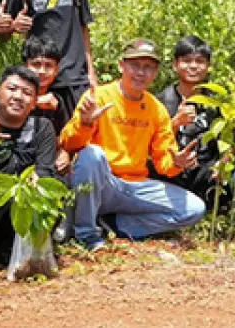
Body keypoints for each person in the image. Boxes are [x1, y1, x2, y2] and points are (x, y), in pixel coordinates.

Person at [59, 39, 204, 251]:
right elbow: (68, 143)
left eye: (148, 67)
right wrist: (86, 123)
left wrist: (178, 162)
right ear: (121, 66)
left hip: (134, 186)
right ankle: (86, 234)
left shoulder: (156, 109)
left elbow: (164, 162)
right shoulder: (98, 97)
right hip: (101, 181)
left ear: (155, 73)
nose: (140, 73)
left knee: (193, 209)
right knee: (92, 154)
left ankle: (114, 224)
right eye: (135, 65)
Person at [0, 66, 60, 256]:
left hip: (21, 208)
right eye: (11, 89)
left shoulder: (42, 128)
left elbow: (45, 170)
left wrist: (36, 179)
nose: (18, 96)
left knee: (55, 188)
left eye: (27, 93)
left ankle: (18, 248)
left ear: (34, 102)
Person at [155, 36, 219, 202]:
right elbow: (148, 144)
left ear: (208, 66)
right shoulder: (159, 102)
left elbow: (229, 143)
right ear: (175, 65)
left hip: (204, 172)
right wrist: (175, 122)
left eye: (200, 61)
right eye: (186, 61)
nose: (193, 66)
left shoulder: (216, 103)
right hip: (170, 173)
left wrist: (222, 165)